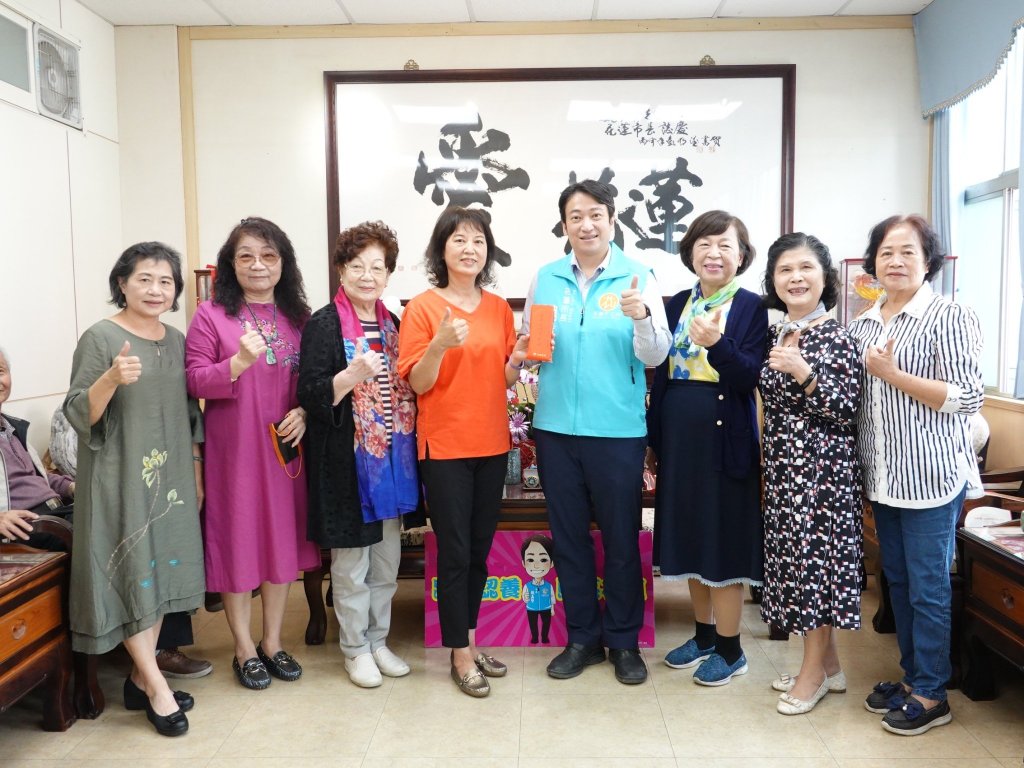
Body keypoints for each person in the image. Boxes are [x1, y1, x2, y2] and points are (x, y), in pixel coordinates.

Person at [523, 179, 671, 686]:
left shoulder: (639, 276)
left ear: (612, 220)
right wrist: (525, 351)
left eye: (595, 215)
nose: (586, 225)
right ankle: (583, 638)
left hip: (617, 431)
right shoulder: (545, 277)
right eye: (575, 217)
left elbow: (656, 354)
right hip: (555, 430)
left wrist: (643, 318)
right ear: (564, 225)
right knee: (568, 539)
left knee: (621, 540)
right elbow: (532, 347)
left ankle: (624, 641)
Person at [848, 215, 983, 736]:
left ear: (929, 260)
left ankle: (932, 693)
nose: (896, 261)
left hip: (930, 476)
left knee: (928, 586)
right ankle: (912, 677)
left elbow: (966, 397)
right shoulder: (863, 324)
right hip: (882, 475)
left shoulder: (950, 316)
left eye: (908, 251)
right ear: (873, 263)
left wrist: (893, 374)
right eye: (886, 252)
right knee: (898, 581)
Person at [63, 242, 204, 737]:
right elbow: (78, 411)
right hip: (118, 478)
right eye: (144, 278)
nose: (156, 289)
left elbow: (190, 415)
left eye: (166, 281)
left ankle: (139, 679)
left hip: (171, 480)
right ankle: (157, 686)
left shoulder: (178, 339)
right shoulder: (100, 337)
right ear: (121, 283)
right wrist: (109, 379)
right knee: (132, 570)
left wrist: (196, 472)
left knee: (159, 575)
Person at [185, 217, 319, 691]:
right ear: (231, 264)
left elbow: (314, 381)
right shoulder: (210, 315)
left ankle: (272, 642)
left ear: (283, 263)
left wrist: (305, 410)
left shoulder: (300, 318)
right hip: (234, 453)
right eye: (246, 256)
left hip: (284, 452)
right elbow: (194, 380)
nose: (257, 265)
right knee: (238, 543)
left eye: (268, 255)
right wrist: (237, 363)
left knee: (280, 544)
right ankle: (243, 648)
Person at [398, 206, 527, 698]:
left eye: (478, 241)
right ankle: (458, 653)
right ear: (442, 249)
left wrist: (518, 360)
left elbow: (503, 378)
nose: (469, 248)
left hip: (492, 443)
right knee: (454, 553)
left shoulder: (498, 309)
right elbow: (417, 383)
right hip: (445, 447)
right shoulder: (422, 308)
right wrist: (438, 345)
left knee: (478, 551)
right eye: (459, 240)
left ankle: (471, 641)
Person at [647, 209, 767, 686]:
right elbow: (661, 374)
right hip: (679, 441)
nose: (714, 253)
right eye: (704, 244)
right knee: (692, 537)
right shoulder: (678, 302)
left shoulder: (751, 306)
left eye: (725, 245)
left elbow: (749, 375)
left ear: (741, 255)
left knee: (723, 541)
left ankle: (731, 649)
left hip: (726, 441)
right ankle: (703, 637)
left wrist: (717, 343)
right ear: (690, 252)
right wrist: (654, 439)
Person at [297, 221, 419, 688]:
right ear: (341, 271)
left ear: (388, 274)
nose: (367, 276)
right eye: (357, 266)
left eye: (377, 267)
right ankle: (355, 649)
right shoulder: (324, 324)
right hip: (347, 469)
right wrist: (349, 376)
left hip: (392, 468)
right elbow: (310, 394)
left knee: (386, 564)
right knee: (351, 567)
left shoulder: (394, 324)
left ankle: (378, 640)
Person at [758, 233, 863, 715]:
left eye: (805, 268)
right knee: (795, 565)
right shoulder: (780, 332)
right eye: (785, 270)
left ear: (825, 278)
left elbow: (845, 411)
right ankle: (831, 666)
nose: (795, 278)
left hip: (822, 473)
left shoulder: (838, 336)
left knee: (814, 570)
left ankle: (812, 673)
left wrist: (804, 372)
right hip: (785, 469)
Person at [47, 405, 211, 679]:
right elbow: (68, 462)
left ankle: (155, 657)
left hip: (82, 495)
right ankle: (153, 660)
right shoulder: (72, 411)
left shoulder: (14, 429)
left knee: (163, 539)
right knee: (126, 541)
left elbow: (42, 476)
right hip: (77, 499)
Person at [0, 346, 74, 547]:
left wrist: (70, 487)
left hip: (56, 513)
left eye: (0, 371)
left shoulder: (12, 428)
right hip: (24, 528)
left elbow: (36, 477)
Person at [521, 534, 555, 645]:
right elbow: (525, 598)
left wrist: (552, 608)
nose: (536, 566)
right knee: (533, 624)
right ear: (523, 563)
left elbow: (552, 597)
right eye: (530, 560)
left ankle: (545, 638)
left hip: (546, 607)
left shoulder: (548, 586)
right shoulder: (527, 586)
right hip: (531, 608)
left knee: (546, 624)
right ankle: (534, 638)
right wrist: (526, 598)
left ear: (551, 563)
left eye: (543, 559)